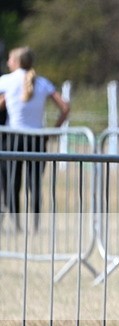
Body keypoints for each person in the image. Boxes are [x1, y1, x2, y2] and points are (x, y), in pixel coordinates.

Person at [0, 46, 69, 229]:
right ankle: (36, 225)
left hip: (13, 138)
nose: (7, 63)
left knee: (12, 182)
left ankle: (16, 225)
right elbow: (65, 108)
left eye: (10, 59)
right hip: (37, 138)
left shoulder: (6, 81)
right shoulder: (43, 83)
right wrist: (54, 130)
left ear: (16, 62)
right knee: (35, 184)